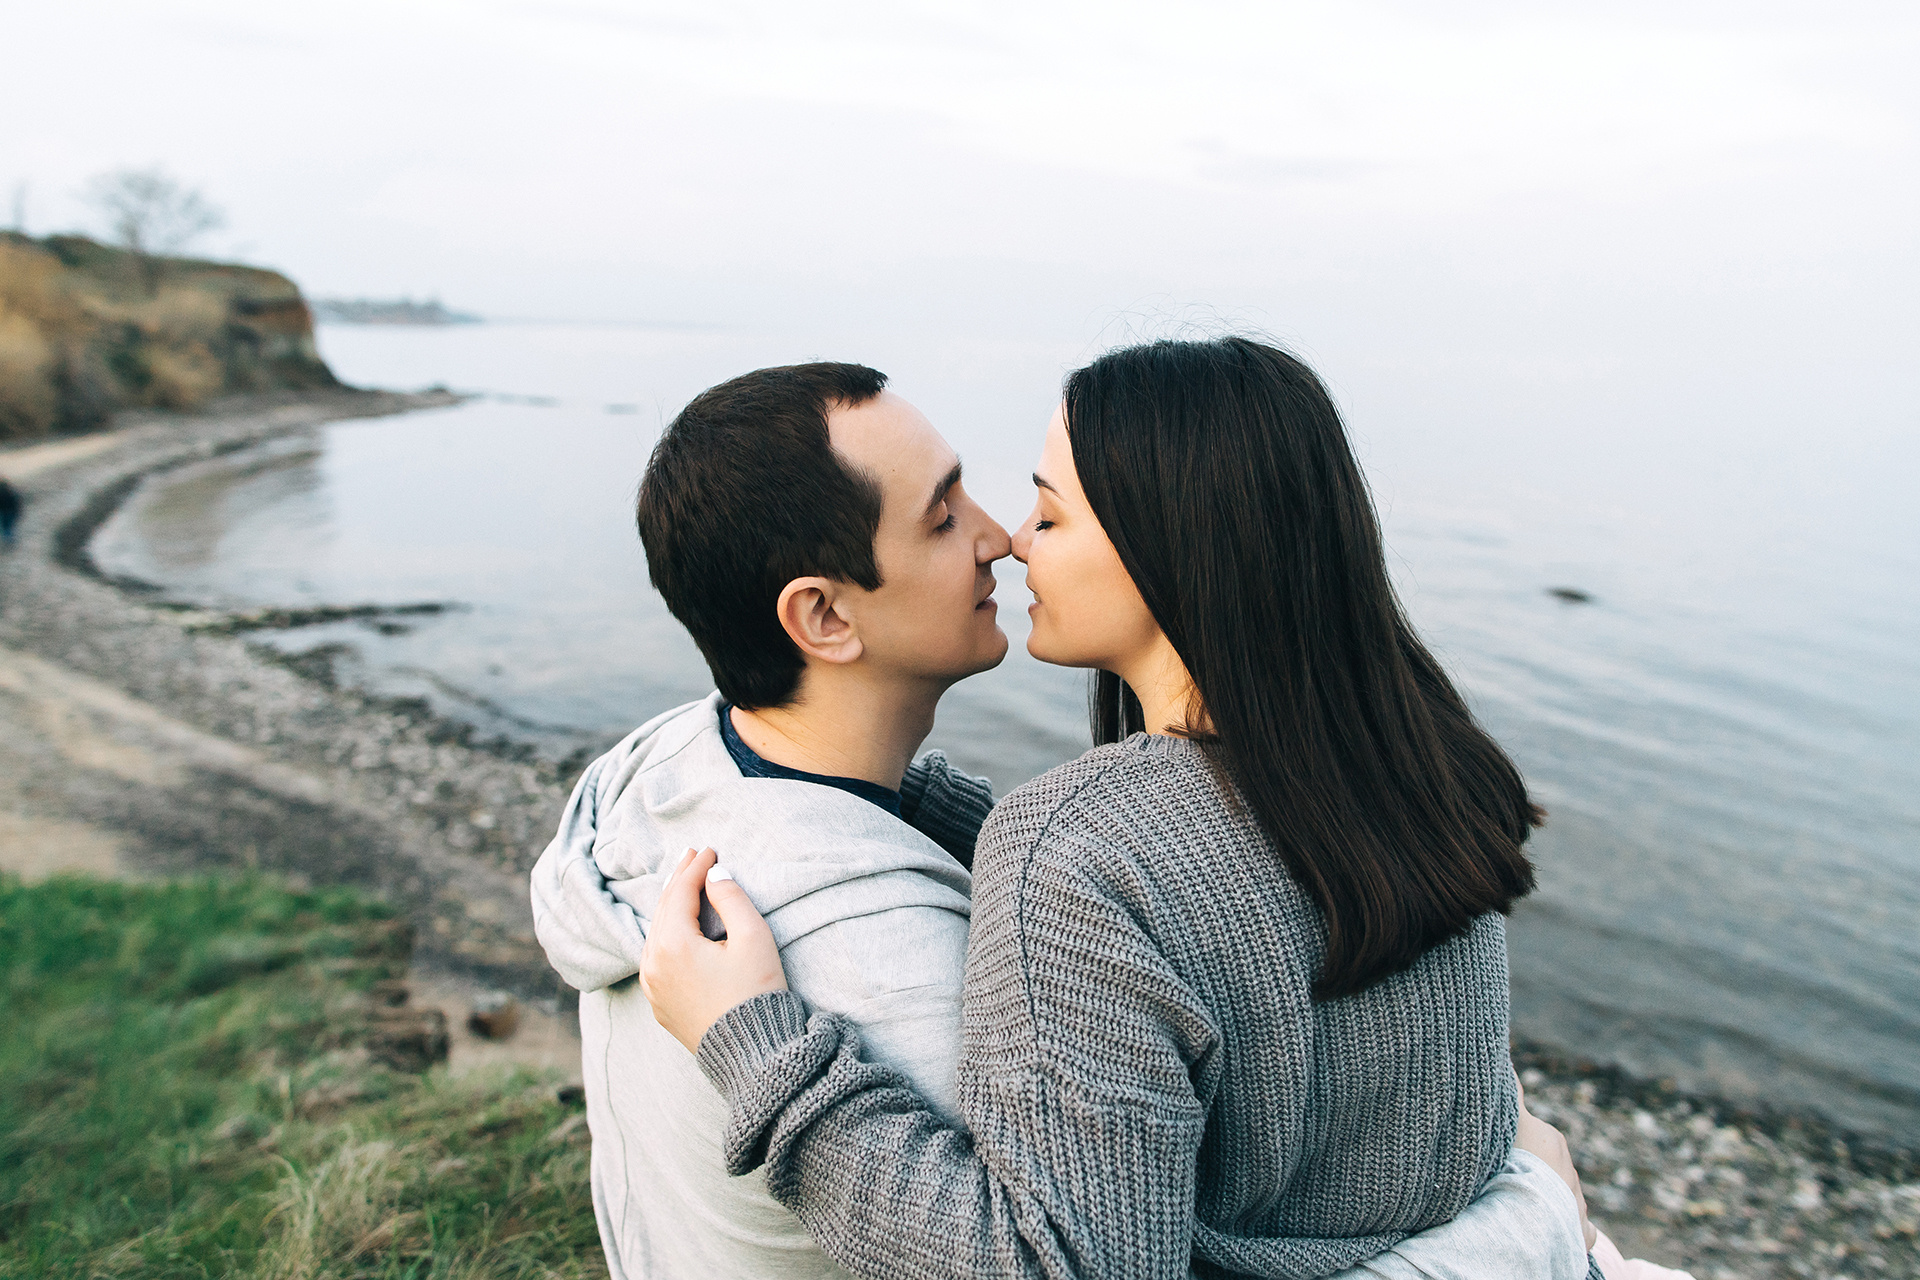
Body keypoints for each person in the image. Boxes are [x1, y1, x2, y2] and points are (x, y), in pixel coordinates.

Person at [532, 360, 1599, 1280]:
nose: (1007, 537)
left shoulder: (1063, 843)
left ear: (1168, 543)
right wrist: (1530, 1204)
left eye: (1049, 509)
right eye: (950, 515)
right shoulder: (1427, 755)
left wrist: (764, 1048)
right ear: (820, 613)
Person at [0, 474, 21, 549]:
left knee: (5, 527)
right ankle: (9, 541)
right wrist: (18, 512)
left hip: (2, 513)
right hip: (10, 512)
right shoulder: (11, 493)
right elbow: (16, 503)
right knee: (10, 527)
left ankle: (7, 541)